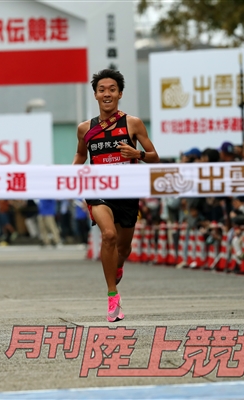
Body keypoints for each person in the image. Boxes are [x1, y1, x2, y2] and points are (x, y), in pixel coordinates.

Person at [72, 69, 160, 322]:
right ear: (96, 95)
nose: (107, 94)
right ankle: (113, 296)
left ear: (119, 93)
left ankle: (118, 264)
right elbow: (80, 154)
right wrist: (71, 174)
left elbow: (154, 156)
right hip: (98, 189)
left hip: (127, 191)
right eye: (102, 90)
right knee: (108, 235)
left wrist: (137, 155)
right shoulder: (85, 129)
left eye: (112, 89)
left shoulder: (133, 123)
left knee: (123, 247)